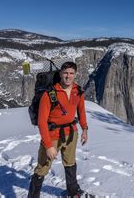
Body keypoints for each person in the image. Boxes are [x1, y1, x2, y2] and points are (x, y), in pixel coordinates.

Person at [28, 61, 88, 198]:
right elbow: (42, 122)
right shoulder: (49, 94)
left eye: (71, 73)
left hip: (71, 133)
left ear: (76, 74)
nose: (68, 76)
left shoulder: (77, 91)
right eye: (65, 73)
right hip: (52, 135)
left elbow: (81, 111)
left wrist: (84, 129)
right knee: (42, 168)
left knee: (70, 164)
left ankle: (73, 193)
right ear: (60, 73)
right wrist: (48, 146)